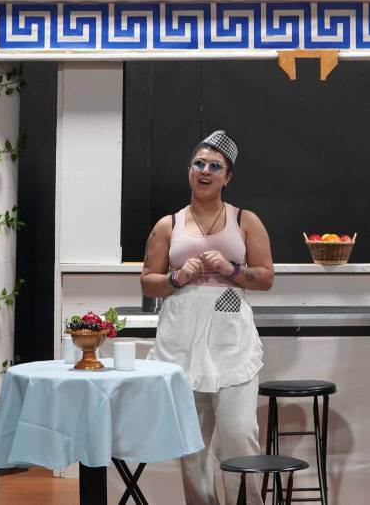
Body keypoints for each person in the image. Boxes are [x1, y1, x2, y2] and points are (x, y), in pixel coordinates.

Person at [141, 130, 274, 505]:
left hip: (231, 341)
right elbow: (148, 281)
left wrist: (232, 271)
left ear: (227, 177)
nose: (205, 170)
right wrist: (176, 277)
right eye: (199, 163)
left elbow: (265, 277)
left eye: (215, 166)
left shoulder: (246, 220)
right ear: (189, 170)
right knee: (192, 442)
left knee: (238, 432)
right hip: (182, 340)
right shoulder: (169, 224)